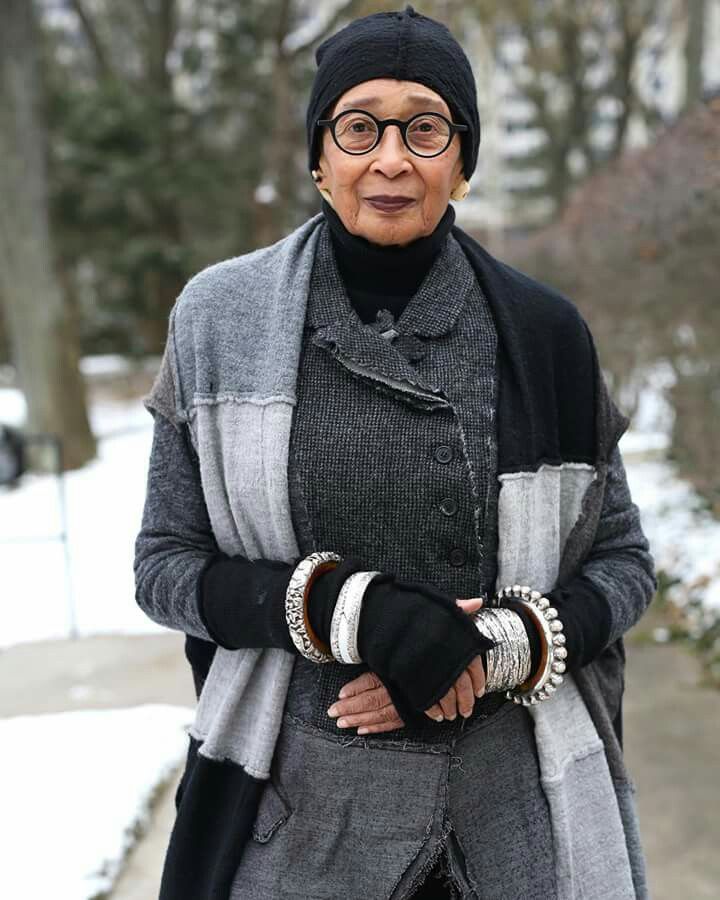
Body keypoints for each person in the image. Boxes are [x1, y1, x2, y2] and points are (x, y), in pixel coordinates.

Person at [134, 6, 656, 899]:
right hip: (295, 825)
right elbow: (165, 567)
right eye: (359, 127)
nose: (390, 159)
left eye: (425, 129)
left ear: (463, 161)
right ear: (319, 156)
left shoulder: (545, 333)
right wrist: (345, 610)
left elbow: (624, 563)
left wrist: (492, 651)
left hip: (514, 822)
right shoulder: (218, 320)